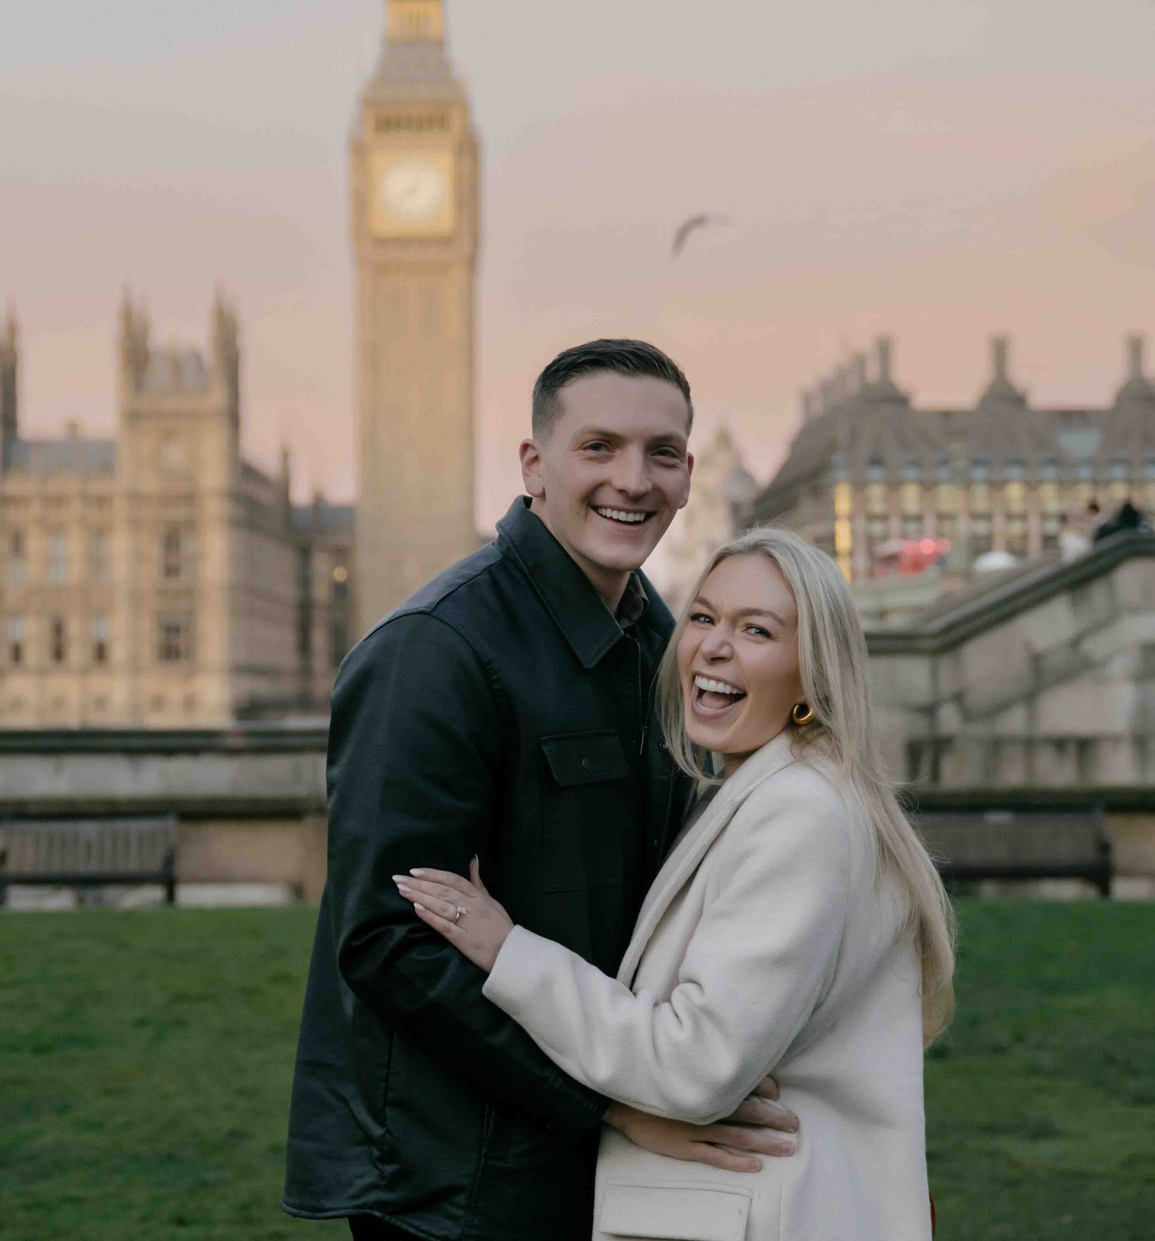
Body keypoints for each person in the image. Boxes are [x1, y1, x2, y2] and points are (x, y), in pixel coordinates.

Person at [283, 340, 798, 1241]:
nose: (632, 480)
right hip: (456, 1179)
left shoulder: (661, 638)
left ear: (686, 478)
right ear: (535, 464)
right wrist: (607, 1105)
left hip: (594, 1157)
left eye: (662, 453)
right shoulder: (433, 651)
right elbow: (388, 943)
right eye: (598, 447)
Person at [396, 527, 955, 1241]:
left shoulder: (800, 812)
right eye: (703, 616)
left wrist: (509, 951)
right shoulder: (772, 790)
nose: (714, 646)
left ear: (813, 673)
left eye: (756, 629)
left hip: (760, 1212)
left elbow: (696, 1065)